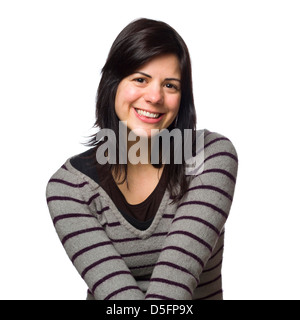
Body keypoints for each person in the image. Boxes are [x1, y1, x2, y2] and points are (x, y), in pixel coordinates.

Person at [46, 18, 238, 300]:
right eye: (140, 79)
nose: (155, 96)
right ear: (113, 85)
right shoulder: (68, 188)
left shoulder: (210, 156)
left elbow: (172, 289)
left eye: (170, 85)